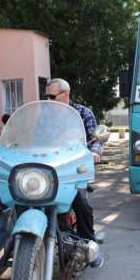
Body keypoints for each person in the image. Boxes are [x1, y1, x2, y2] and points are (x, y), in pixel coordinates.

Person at [45, 78, 104, 268]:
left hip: (73, 170)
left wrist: (95, 152)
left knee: (81, 203)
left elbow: (95, 138)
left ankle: (90, 247)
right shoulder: (45, 116)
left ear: (66, 94)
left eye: (51, 96)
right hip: (48, 169)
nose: (48, 100)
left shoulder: (83, 113)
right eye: (46, 96)